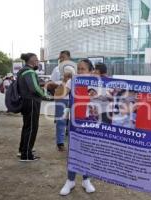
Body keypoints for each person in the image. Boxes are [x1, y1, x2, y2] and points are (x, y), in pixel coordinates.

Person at [59, 59, 96, 196]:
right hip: (74, 122)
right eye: (78, 69)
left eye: (83, 69)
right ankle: (70, 180)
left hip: (90, 122)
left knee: (87, 151)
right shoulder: (71, 81)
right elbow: (60, 95)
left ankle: (86, 180)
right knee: (73, 150)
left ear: (91, 71)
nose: (80, 71)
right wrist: (64, 80)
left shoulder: (96, 84)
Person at [17, 53, 46, 161]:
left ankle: (23, 150)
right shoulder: (29, 71)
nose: (38, 62)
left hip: (26, 101)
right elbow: (34, 88)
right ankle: (27, 154)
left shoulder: (22, 71)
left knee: (27, 126)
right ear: (32, 61)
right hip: (32, 102)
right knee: (32, 127)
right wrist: (44, 95)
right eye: (37, 60)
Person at [50, 50, 75, 151]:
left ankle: (72, 140)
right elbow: (52, 83)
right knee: (61, 120)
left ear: (69, 57)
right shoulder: (57, 69)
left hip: (74, 98)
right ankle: (60, 142)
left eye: (63, 57)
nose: (61, 59)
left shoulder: (75, 68)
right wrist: (61, 84)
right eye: (60, 57)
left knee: (72, 120)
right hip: (62, 98)